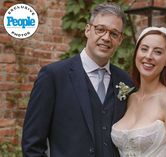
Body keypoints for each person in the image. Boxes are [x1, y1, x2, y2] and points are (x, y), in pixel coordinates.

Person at [22, 3, 134, 157]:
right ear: (88, 30)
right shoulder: (53, 76)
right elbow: (32, 145)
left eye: (114, 34)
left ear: (120, 39)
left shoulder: (126, 81)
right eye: (100, 29)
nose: (106, 38)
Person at [111, 27, 166, 157]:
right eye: (144, 49)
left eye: (158, 52)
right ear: (136, 53)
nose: (148, 56)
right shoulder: (129, 98)